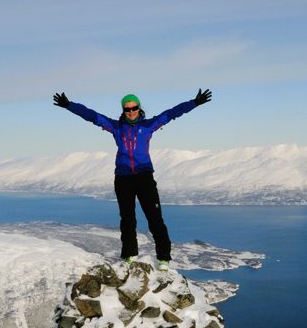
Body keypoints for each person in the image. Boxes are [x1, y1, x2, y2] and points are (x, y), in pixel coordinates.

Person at [54, 89, 212, 270]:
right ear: (123, 110)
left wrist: (195, 102)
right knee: (127, 219)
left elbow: (171, 113)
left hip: (144, 176)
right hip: (123, 178)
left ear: (139, 108)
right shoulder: (116, 127)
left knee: (155, 218)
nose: (131, 112)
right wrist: (68, 105)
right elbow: (92, 116)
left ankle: (163, 258)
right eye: (127, 109)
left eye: (134, 108)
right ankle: (129, 254)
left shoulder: (148, 125)